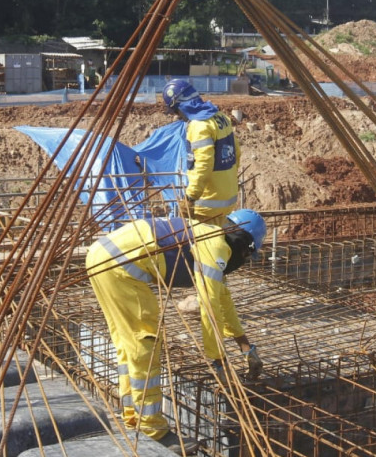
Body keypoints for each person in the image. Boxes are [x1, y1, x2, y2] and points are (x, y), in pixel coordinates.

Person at [86, 209, 266, 453]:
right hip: (119, 266)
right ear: (245, 244)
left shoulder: (212, 237)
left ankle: (133, 416)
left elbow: (223, 299)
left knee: (128, 344)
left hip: (103, 257)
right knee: (144, 344)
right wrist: (218, 361)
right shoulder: (216, 247)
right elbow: (210, 308)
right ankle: (151, 428)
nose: (244, 261)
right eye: (247, 255)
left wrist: (246, 347)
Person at [163, 79, 241, 224]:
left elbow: (204, 164)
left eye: (176, 110)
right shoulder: (220, 117)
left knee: (203, 238)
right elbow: (236, 153)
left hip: (207, 204)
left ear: (180, 106)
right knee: (220, 236)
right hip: (227, 199)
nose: (178, 115)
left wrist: (190, 197)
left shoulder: (199, 126)